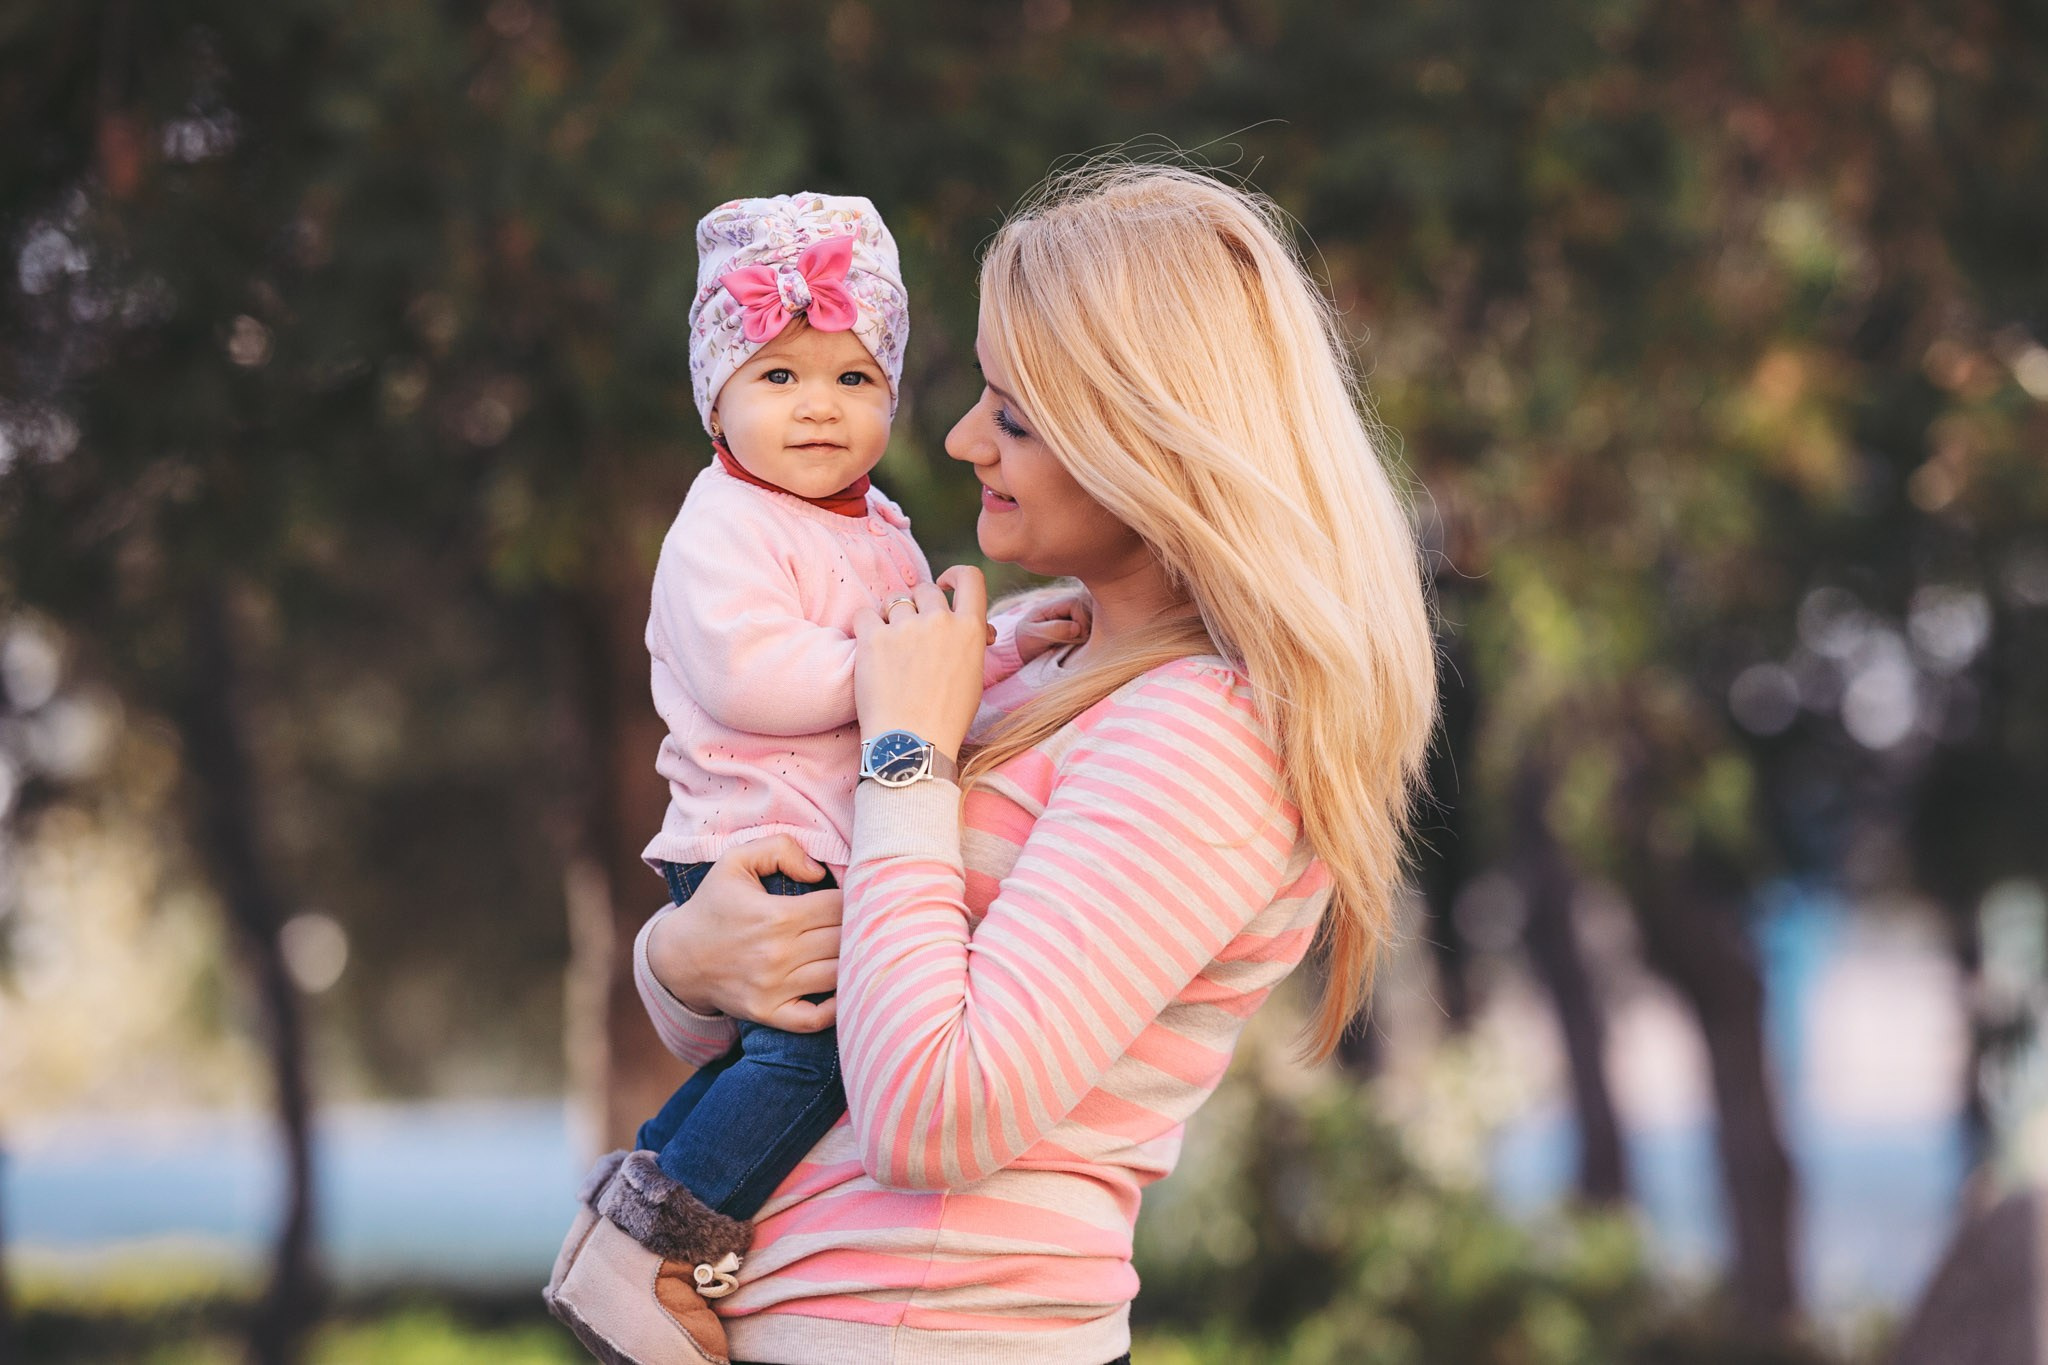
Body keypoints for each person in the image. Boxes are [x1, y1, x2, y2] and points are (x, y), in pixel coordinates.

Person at [567, 160, 1436, 1365]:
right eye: (981, 394)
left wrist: (906, 749)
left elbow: (936, 1118)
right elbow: (806, 1035)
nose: (962, 438)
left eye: (1014, 416)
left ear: (1152, 443)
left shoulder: (1203, 737)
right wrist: (681, 960)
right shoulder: (1025, 661)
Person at [542, 191, 1085, 1365]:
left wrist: (999, 643)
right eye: (778, 378)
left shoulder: (874, 520)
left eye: (851, 380)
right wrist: (894, 679)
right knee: (819, 1048)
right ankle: (656, 1248)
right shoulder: (721, 526)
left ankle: (625, 1217)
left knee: (784, 1050)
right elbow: (754, 677)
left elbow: (914, 655)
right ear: (715, 397)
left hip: (820, 839)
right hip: (752, 837)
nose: (817, 411)